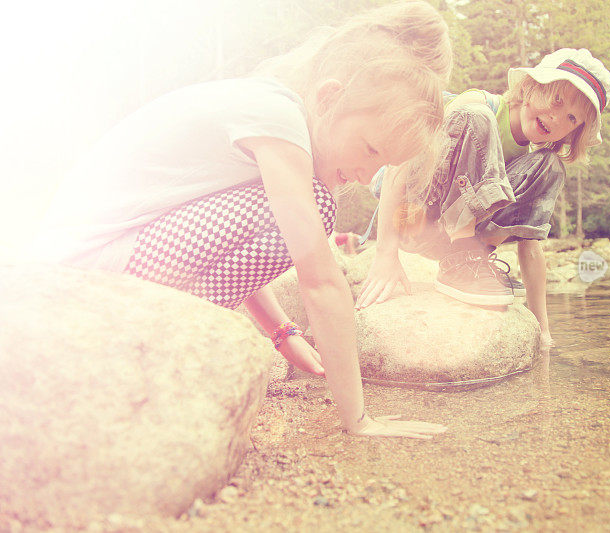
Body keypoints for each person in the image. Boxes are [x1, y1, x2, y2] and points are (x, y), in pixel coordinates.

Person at [32, 2, 452, 438]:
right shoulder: (278, 121)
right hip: (87, 271)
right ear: (330, 97)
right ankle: (162, 346)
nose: (368, 179)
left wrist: (281, 331)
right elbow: (319, 279)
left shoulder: (270, 106)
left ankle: (164, 340)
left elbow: (240, 242)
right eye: (371, 150)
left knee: (312, 206)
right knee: (320, 206)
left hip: (84, 265)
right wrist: (359, 420)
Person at [355, 48, 610, 348]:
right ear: (531, 86)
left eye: (571, 118)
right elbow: (397, 166)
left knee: (549, 167)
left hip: (449, 242)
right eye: (556, 99)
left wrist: (542, 331)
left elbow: (531, 248)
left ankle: (472, 257)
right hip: (413, 217)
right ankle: (462, 259)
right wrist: (385, 254)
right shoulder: (480, 106)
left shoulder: (529, 163)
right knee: (477, 119)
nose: (557, 117)